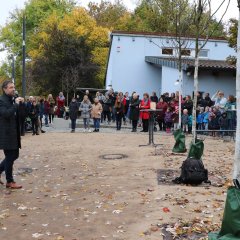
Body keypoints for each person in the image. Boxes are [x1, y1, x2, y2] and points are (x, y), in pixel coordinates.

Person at [0, 80, 23, 189]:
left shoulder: (12, 99)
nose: (13, 89)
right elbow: (6, 114)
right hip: (6, 134)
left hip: (14, 133)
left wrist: (21, 105)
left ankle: (3, 174)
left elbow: (19, 114)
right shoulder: (1, 100)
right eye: (10, 87)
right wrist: (15, 105)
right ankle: (10, 181)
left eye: (13, 87)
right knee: (10, 156)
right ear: (4, 89)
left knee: (14, 155)